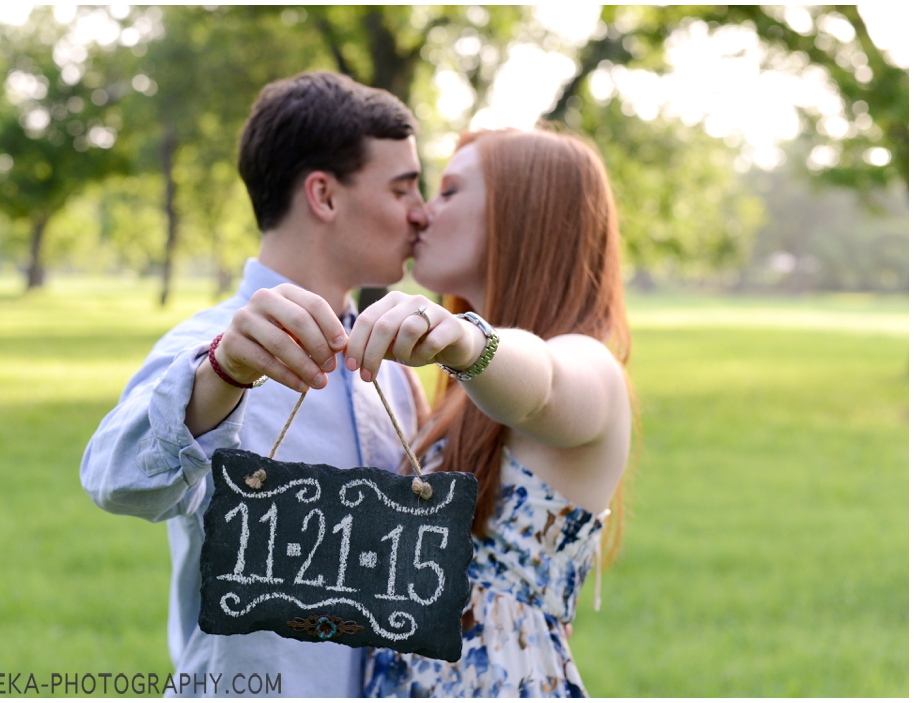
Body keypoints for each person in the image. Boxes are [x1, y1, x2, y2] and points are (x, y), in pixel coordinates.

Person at [80, 71, 431, 697]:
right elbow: (114, 477)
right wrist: (222, 373)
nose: (421, 212)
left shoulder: (398, 372)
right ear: (323, 195)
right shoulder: (207, 349)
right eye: (404, 188)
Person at [347, 128, 634, 697]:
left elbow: (542, 388)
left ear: (524, 216)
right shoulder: (459, 395)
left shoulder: (589, 363)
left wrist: (463, 339)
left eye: (450, 192)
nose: (423, 214)